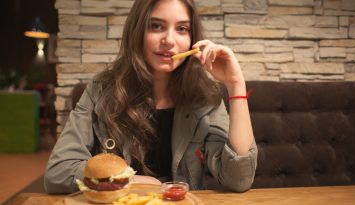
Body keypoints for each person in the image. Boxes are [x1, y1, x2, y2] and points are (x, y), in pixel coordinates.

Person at [44, 0, 257, 194]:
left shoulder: (205, 98)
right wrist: (130, 181)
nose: (169, 40)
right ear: (137, 31)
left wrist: (235, 84)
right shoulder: (101, 91)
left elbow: (238, 180)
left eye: (182, 29)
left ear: (192, 39)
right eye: (156, 26)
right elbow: (58, 172)